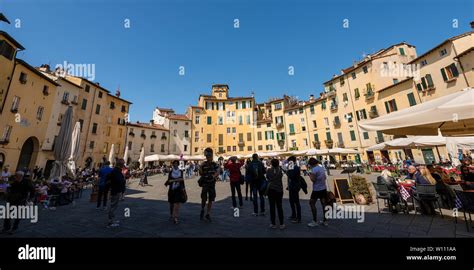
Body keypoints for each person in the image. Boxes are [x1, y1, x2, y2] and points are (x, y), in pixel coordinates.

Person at [198, 148, 219, 222]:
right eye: (208, 156)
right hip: (205, 183)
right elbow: (200, 173)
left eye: (209, 156)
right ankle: (203, 209)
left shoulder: (215, 164)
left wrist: (213, 176)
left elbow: (218, 171)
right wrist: (200, 167)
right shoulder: (203, 164)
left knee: (211, 199)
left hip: (212, 184)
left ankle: (208, 213)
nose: (209, 157)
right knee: (203, 198)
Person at [307, 158, 328, 227]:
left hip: (316, 189)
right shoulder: (321, 168)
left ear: (311, 164)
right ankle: (325, 221)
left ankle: (314, 221)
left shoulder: (314, 170)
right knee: (323, 204)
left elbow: (313, 180)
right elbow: (325, 177)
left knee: (312, 203)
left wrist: (309, 174)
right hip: (323, 188)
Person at [266, 159, 285, 229]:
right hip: (279, 190)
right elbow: (281, 176)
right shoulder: (280, 171)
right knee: (279, 207)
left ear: (271, 164)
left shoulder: (268, 170)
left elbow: (267, 177)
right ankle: (282, 224)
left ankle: (273, 223)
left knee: (272, 207)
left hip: (271, 190)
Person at [107, 158, 126, 227]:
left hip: (115, 190)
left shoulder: (116, 170)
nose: (124, 165)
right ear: (121, 165)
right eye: (123, 164)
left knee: (114, 206)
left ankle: (112, 219)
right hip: (115, 191)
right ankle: (110, 222)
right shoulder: (116, 171)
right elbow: (119, 180)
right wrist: (123, 179)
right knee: (113, 206)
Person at [286, 156, 302, 223]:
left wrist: (287, 172)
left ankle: (298, 217)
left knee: (296, 202)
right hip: (291, 186)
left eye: (289, 161)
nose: (289, 163)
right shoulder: (292, 167)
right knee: (291, 201)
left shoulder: (295, 168)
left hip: (295, 187)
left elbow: (291, 176)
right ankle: (293, 215)